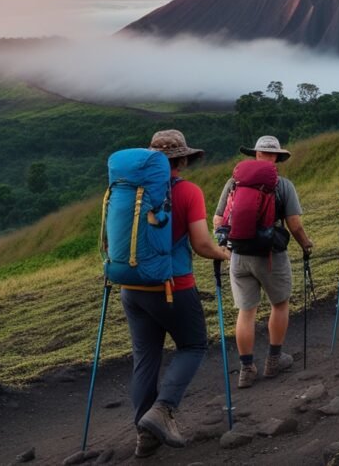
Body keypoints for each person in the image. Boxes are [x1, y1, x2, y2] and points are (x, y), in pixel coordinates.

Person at [122, 130, 231, 458]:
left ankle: (145, 435)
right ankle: (163, 410)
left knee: (145, 356)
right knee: (193, 344)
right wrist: (223, 254)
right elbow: (200, 244)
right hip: (173, 287)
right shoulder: (188, 192)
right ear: (183, 160)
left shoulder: (129, 190)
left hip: (132, 288)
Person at [213, 135, 314, 390]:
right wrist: (306, 244)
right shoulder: (283, 185)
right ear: (277, 157)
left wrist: (226, 247)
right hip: (270, 257)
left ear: (255, 154)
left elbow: (217, 221)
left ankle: (246, 369)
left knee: (246, 312)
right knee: (280, 305)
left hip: (238, 256)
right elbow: (295, 224)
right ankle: (274, 359)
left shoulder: (234, 182)